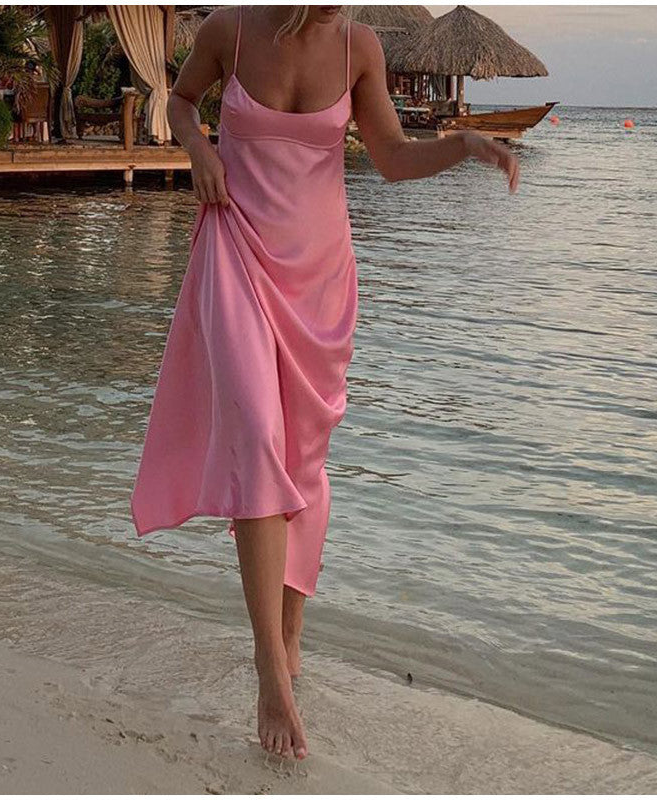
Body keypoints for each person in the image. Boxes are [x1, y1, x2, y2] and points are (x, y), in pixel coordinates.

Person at [130, 5, 519, 761]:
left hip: (320, 280)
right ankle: (269, 667)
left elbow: (393, 157)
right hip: (237, 251)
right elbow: (179, 101)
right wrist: (200, 148)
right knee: (254, 435)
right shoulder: (229, 32)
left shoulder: (360, 47)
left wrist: (465, 143)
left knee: (303, 463)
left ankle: (293, 625)